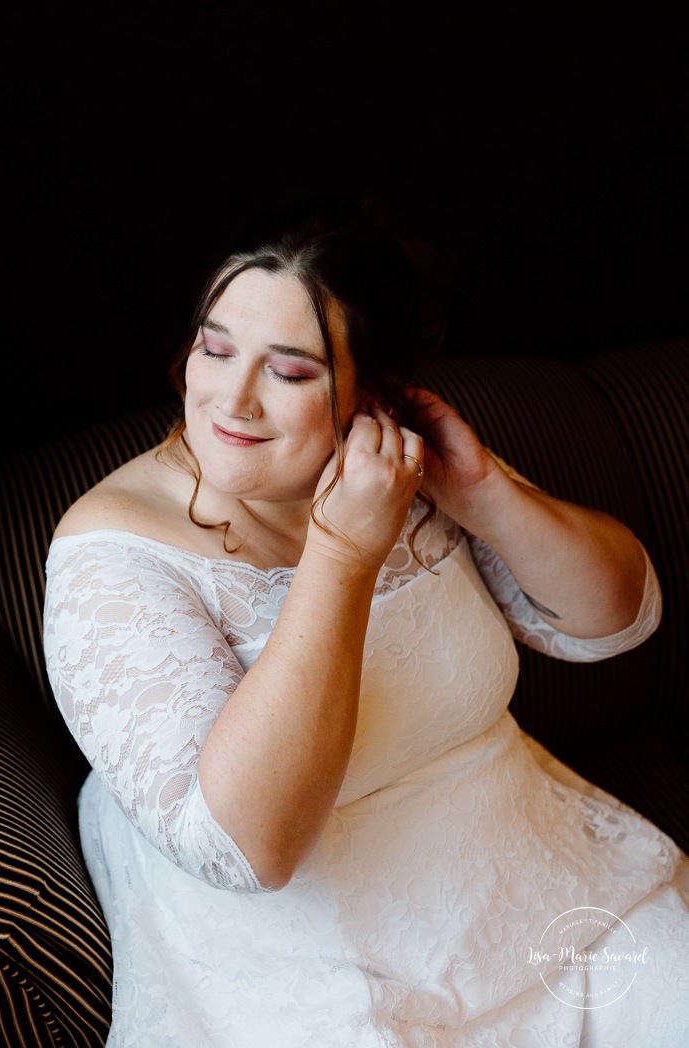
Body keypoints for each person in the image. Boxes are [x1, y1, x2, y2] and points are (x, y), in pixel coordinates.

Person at [43, 195, 688, 1047]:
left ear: (368, 395)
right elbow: (249, 848)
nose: (231, 400)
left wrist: (485, 493)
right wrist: (342, 557)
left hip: (531, 889)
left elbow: (615, 621)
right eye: (216, 345)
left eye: (290, 370)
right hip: (313, 964)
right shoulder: (112, 547)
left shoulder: (387, 470)